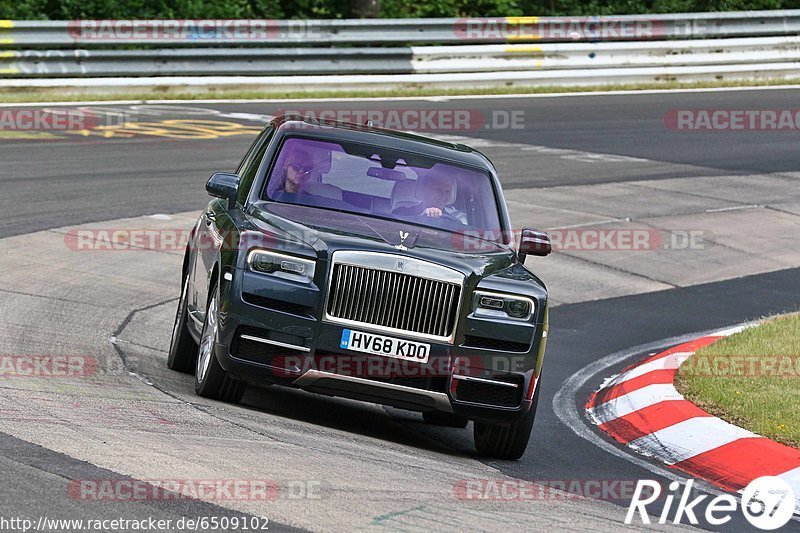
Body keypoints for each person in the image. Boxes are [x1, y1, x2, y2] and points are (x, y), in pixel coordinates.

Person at [393, 172, 467, 224]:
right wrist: (420, 218)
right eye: (439, 190)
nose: (443, 196)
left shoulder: (454, 223)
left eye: (447, 191)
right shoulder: (401, 214)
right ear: (425, 190)